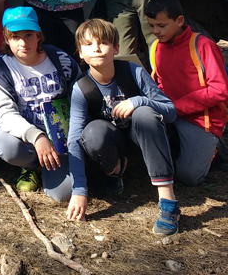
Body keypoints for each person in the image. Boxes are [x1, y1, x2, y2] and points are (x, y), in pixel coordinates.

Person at [66, 18, 180, 236]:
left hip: (142, 138)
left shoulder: (134, 72)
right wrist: (79, 189)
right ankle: (114, 170)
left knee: (146, 114)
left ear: (116, 48)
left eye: (104, 43)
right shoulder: (81, 89)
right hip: (112, 142)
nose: (97, 49)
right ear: (80, 53)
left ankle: (168, 201)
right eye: (88, 44)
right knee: (92, 132)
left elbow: (170, 110)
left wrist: (139, 101)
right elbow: (73, 139)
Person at [0, 7, 80, 200]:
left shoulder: (60, 59)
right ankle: (30, 165)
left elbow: (80, 95)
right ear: (6, 39)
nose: (23, 43)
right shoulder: (2, 69)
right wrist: (36, 137)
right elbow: (4, 112)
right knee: (6, 144)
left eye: (29, 35)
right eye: (15, 37)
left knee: (62, 194)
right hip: (27, 138)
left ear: (38, 35)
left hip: (61, 137)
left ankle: (59, 163)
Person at [144, 0, 228, 184]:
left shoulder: (203, 45)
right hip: (173, 114)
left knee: (188, 178)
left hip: (203, 120)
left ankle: (216, 147)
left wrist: (176, 107)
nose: (156, 31)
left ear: (179, 21)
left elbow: (220, 90)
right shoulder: (155, 48)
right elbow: (160, 83)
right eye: (151, 26)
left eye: (161, 26)